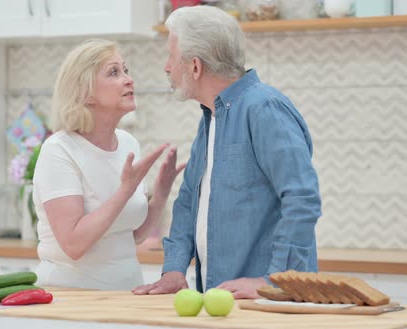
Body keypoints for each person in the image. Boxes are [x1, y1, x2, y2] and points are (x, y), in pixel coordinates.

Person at [132, 6, 322, 299]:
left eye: (171, 56)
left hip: (270, 304)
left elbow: (302, 198)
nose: (167, 66)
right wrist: (174, 269)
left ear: (195, 66)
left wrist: (274, 281)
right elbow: (186, 203)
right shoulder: (211, 117)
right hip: (221, 300)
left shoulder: (264, 108)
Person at [32, 39, 186, 290]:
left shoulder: (128, 143)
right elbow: (73, 244)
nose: (128, 79)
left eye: (126, 70)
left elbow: (133, 235)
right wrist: (125, 190)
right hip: (70, 298)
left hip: (125, 293)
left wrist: (161, 194)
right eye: (114, 72)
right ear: (85, 92)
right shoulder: (58, 150)